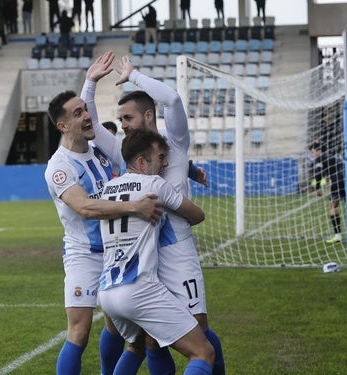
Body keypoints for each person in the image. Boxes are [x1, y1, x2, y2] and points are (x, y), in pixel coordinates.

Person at [82, 51, 224, 375]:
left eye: (127, 119)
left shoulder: (174, 144)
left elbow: (173, 100)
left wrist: (133, 74)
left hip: (176, 253)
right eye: (119, 121)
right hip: (143, 256)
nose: (122, 126)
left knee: (198, 330)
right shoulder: (127, 152)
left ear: (148, 115)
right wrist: (90, 83)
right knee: (151, 340)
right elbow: (92, 127)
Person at [44, 90, 164, 375]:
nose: (87, 116)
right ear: (62, 126)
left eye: (85, 110)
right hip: (84, 255)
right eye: (77, 114)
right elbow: (84, 207)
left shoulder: (99, 154)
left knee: (123, 330)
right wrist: (134, 208)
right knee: (80, 330)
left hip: (115, 252)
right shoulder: (58, 167)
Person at [99, 128, 214, 375]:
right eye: (160, 157)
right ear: (141, 161)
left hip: (108, 290)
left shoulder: (108, 188)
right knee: (203, 352)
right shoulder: (154, 184)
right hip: (139, 289)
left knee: (136, 346)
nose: (164, 164)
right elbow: (197, 215)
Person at [310, 141, 345, 244]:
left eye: (313, 152)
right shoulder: (332, 156)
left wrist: (317, 188)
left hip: (338, 182)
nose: (312, 154)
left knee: (332, 207)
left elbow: (318, 174)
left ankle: (337, 236)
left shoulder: (319, 159)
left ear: (319, 151)